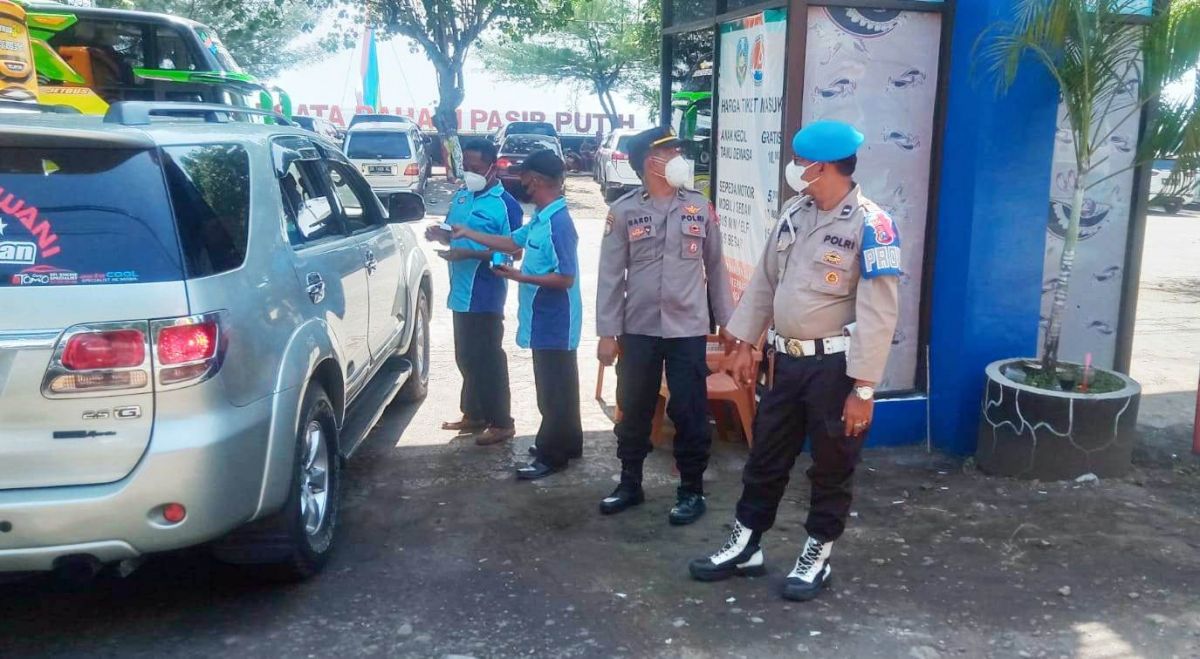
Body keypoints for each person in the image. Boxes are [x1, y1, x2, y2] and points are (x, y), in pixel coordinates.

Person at [688, 120, 902, 602]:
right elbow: (767, 282)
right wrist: (744, 343)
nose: (796, 169)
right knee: (766, 455)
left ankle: (818, 552)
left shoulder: (873, 224)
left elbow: (879, 315)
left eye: (802, 163)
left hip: (836, 369)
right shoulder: (795, 211)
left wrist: (863, 389)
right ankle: (748, 543)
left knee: (832, 465)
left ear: (822, 168)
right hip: (784, 363)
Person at [595, 126, 735, 526]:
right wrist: (607, 332)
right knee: (634, 406)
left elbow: (715, 266)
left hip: (687, 329)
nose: (678, 157)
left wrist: (726, 321)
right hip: (637, 328)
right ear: (648, 162)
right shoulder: (623, 211)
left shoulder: (698, 206)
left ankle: (691, 490)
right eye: (669, 151)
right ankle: (629, 483)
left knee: (690, 410)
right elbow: (610, 276)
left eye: (676, 150)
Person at [452, 150, 583, 480]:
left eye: (526, 181)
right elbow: (510, 243)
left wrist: (521, 276)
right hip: (543, 316)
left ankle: (552, 455)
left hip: (555, 317)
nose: (523, 186)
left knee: (552, 390)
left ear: (537, 180)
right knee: (561, 385)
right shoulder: (541, 218)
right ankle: (568, 442)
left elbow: (565, 277)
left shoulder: (558, 223)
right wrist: (468, 233)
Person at [425, 138, 518, 446]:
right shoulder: (463, 197)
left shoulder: (507, 206)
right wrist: (440, 235)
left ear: (494, 167)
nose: (470, 174)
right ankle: (474, 413)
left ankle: (502, 422)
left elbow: (511, 255)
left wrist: (470, 255)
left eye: (476, 168)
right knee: (465, 357)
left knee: (488, 358)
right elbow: (454, 233)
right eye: (467, 167)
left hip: (485, 294)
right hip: (460, 294)